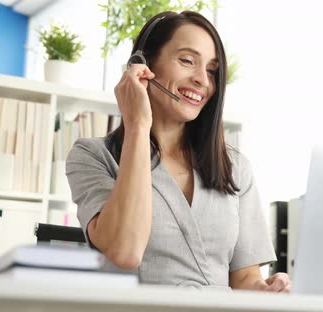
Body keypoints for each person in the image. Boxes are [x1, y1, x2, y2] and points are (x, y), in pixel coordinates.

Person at [66, 11, 291, 292]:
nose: (202, 80)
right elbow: (125, 251)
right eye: (187, 61)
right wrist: (138, 125)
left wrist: (267, 289)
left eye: (211, 71)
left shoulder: (234, 166)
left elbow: (245, 279)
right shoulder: (94, 156)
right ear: (143, 63)